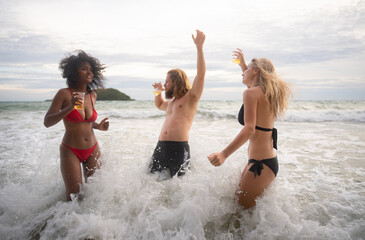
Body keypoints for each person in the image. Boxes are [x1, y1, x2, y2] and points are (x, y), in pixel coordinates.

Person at [208, 48, 292, 208]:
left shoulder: (251, 94)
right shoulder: (267, 93)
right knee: (245, 214)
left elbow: (249, 129)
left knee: (240, 213)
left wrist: (224, 154)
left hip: (260, 165)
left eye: (246, 69)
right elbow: (251, 84)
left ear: (256, 71)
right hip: (266, 162)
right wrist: (243, 65)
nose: (242, 72)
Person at [44, 50, 109, 201]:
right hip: (71, 150)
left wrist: (98, 126)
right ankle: (65, 224)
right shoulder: (64, 94)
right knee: (74, 197)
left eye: (91, 70)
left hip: (93, 148)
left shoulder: (92, 95)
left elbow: (86, 122)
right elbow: (47, 122)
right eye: (84, 69)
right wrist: (69, 108)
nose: (89, 72)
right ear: (73, 72)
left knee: (95, 193)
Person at [149, 30, 206, 178]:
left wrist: (199, 48)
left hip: (179, 149)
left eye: (167, 81)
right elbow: (159, 105)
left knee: (178, 186)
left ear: (176, 81)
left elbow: (200, 75)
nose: (165, 83)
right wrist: (157, 92)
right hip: (161, 147)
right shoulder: (171, 102)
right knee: (152, 183)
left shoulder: (191, 97)